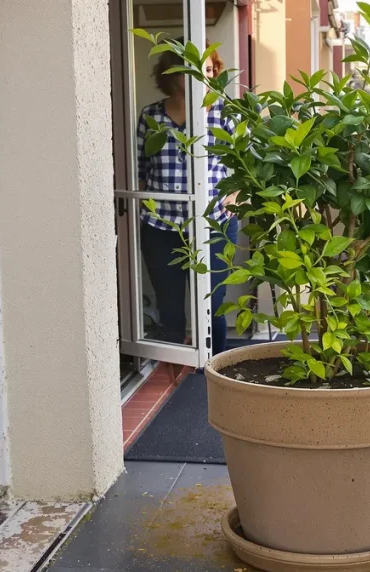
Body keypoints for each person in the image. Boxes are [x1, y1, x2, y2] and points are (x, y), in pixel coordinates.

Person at [136, 39, 237, 355]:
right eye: (193, 70)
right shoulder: (151, 116)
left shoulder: (225, 112)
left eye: (208, 69)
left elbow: (246, 164)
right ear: (171, 74)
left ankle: (214, 368)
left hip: (214, 223)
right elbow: (138, 165)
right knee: (170, 307)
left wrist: (234, 196)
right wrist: (143, 200)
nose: (204, 77)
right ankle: (175, 370)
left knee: (212, 304)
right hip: (161, 225)